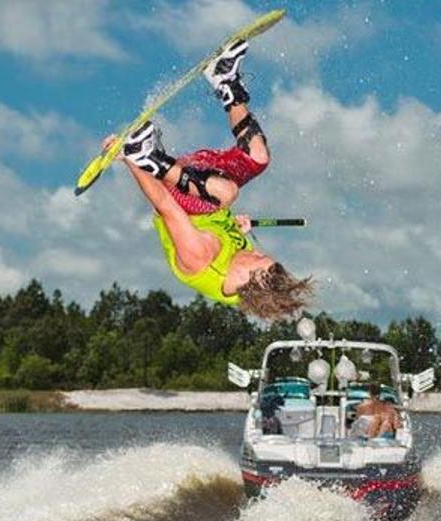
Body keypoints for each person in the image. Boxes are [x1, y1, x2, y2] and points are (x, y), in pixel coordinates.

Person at [104, 39, 312, 321]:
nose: (258, 252)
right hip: (197, 181)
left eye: (259, 259)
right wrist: (239, 229)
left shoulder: (201, 260)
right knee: (258, 156)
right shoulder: (246, 264)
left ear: (249, 280)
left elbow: (165, 206)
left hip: (178, 192)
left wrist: (131, 158)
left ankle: (147, 154)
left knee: (226, 193)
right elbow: (233, 234)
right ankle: (224, 79)